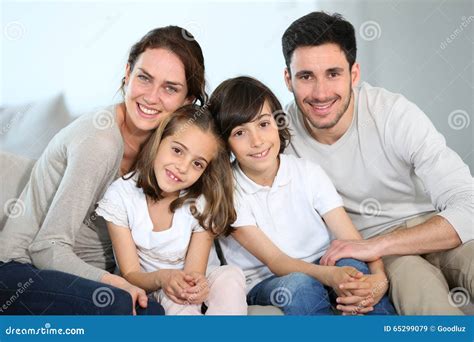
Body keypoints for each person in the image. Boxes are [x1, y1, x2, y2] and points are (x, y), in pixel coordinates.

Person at [0, 26, 207, 315]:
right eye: (144, 78)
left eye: (170, 88)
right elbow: (46, 247)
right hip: (20, 270)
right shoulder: (101, 142)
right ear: (127, 73)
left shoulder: (167, 150)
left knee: (151, 312)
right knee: (125, 305)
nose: (151, 97)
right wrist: (118, 284)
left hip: (79, 273)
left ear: (187, 101)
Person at [281, 11, 473, 315]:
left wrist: (378, 245)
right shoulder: (277, 137)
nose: (320, 93)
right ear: (288, 79)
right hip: (376, 249)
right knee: (425, 297)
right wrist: (373, 252)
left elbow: (469, 206)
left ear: (354, 74)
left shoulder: (392, 113)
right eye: (306, 76)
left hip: (431, 226)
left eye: (333, 73)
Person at [209, 76, 395, 315]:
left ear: (277, 122)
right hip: (268, 279)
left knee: (355, 270)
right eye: (240, 133)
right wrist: (329, 276)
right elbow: (276, 261)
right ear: (225, 143)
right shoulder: (228, 191)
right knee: (300, 287)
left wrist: (379, 278)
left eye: (264, 124)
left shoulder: (307, 172)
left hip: (324, 263)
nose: (257, 141)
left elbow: (353, 240)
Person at [96, 105, 247, 315]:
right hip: (153, 284)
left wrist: (197, 285)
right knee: (176, 301)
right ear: (158, 142)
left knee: (231, 276)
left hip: (193, 277)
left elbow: (195, 272)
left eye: (197, 164)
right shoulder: (120, 196)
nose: (182, 167)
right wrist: (164, 278)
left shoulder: (200, 201)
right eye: (177, 151)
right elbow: (130, 273)